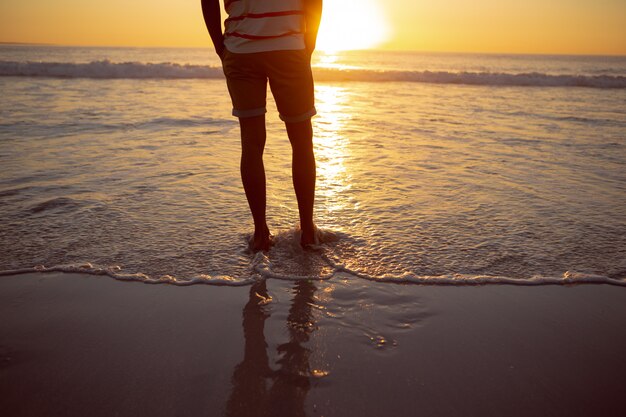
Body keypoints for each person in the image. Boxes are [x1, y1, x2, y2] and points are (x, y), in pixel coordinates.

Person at [201, 0, 323, 251]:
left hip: (241, 48)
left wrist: (220, 45)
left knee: (252, 143)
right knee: (301, 141)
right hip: (288, 45)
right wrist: (308, 42)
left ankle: (260, 233)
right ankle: (308, 231)